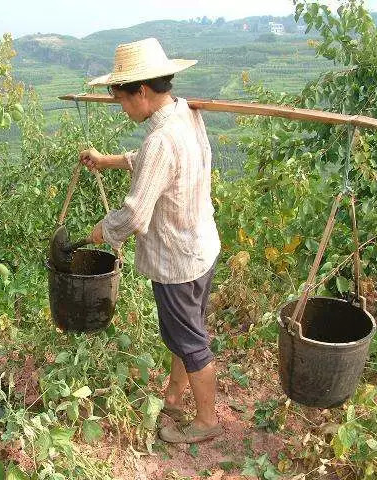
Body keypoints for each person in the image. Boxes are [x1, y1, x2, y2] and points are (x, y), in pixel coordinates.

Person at [79, 38, 222, 443]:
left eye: (121, 98)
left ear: (141, 91)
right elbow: (154, 160)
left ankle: (208, 422)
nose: (122, 108)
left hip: (177, 258)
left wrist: (101, 231)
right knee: (186, 331)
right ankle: (174, 397)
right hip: (201, 245)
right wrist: (108, 160)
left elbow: (136, 214)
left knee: (191, 342)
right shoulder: (185, 113)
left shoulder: (162, 139)